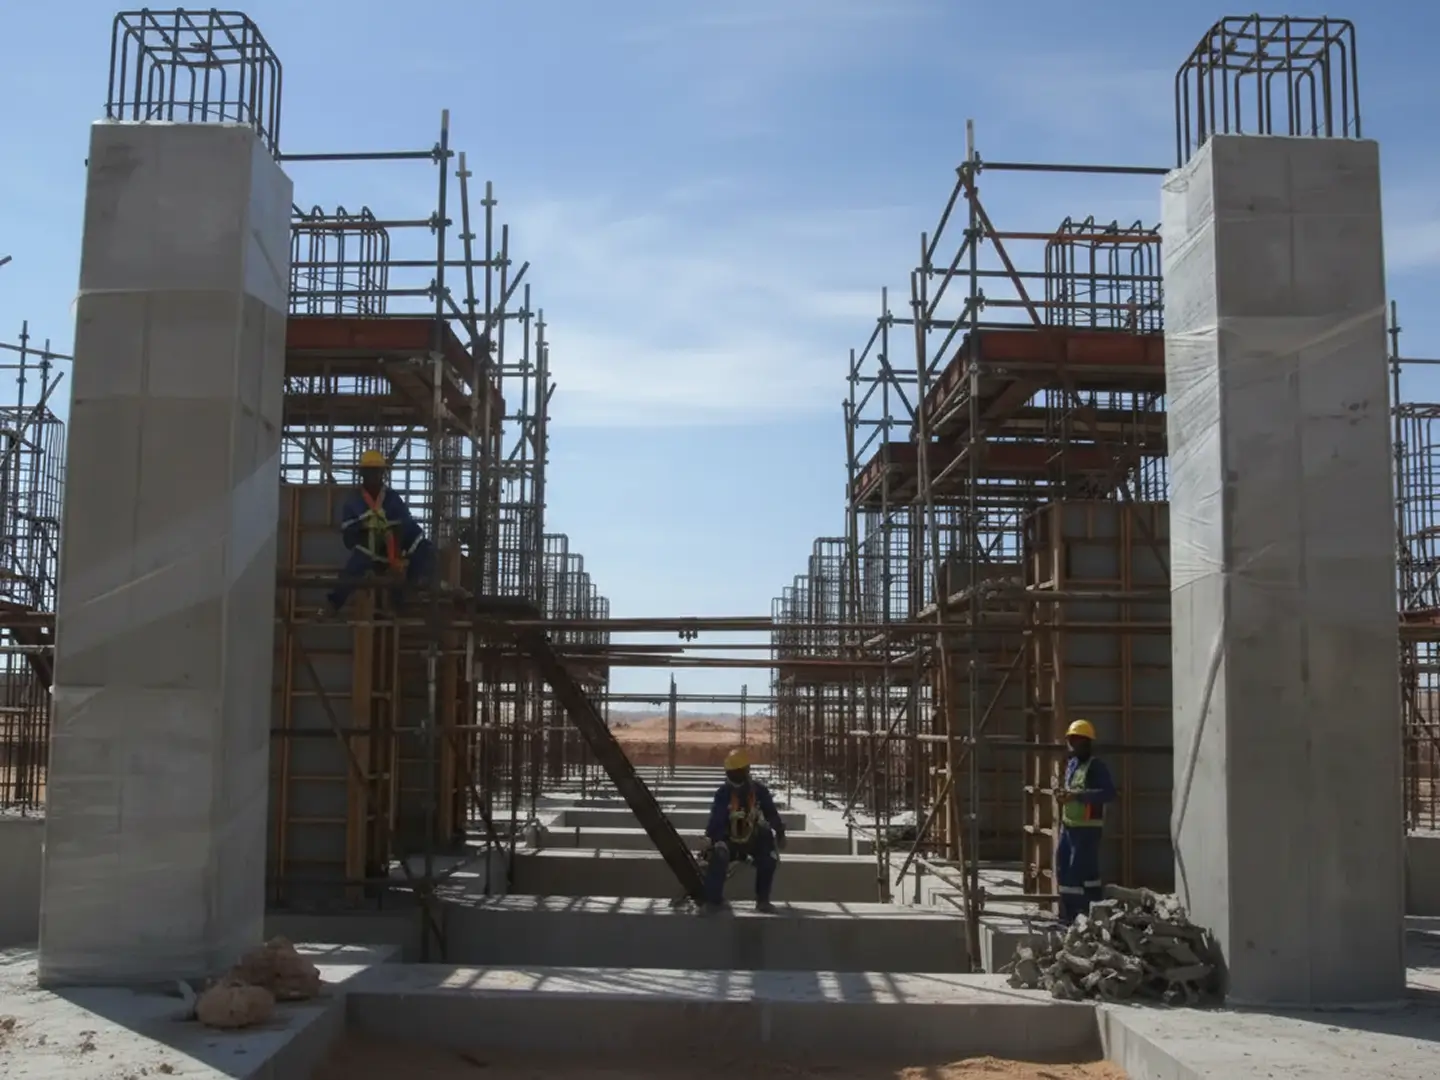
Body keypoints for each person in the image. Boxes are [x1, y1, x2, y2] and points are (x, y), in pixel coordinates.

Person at [325, 449, 437, 614]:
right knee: (354, 567)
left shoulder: (392, 498)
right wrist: (365, 529)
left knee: (425, 551)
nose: (374, 476)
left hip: (396, 547)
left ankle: (410, 592)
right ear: (362, 473)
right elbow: (348, 537)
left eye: (377, 472)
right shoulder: (354, 501)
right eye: (370, 472)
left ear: (382, 473)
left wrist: (397, 557)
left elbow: (404, 525)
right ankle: (334, 604)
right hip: (370, 549)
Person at [699, 748, 787, 913]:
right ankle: (713, 901)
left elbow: (771, 813)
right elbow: (716, 819)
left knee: (769, 858)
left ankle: (763, 900)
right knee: (718, 854)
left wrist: (780, 832)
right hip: (729, 840)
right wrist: (711, 839)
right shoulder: (723, 793)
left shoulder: (758, 791)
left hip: (753, 839)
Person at [1055, 718, 1117, 925]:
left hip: (1087, 829)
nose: (1073, 746)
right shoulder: (1072, 765)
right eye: (1071, 741)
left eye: (1078, 742)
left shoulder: (1096, 767)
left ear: (1088, 743)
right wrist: (1063, 795)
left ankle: (1084, 916)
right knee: (1065, 870)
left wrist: (1079, 796)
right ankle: (1071, 915)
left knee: (1080, 874)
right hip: (1069, 827)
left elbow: (1108, 793)